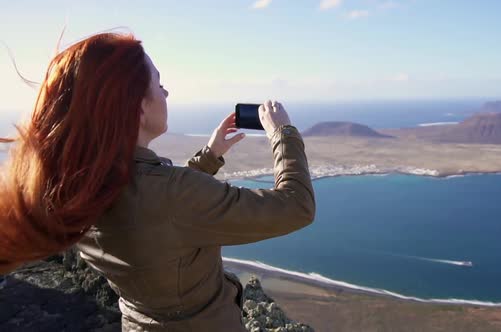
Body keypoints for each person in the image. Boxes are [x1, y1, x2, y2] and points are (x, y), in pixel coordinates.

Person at [0, 33, 315, 331]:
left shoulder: (76, 190)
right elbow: (296, 207)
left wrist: (209, 156)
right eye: (160, 85)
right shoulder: (168, 195)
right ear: (137, 107)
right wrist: (283, 133)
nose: (166, 93)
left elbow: (156, 215)